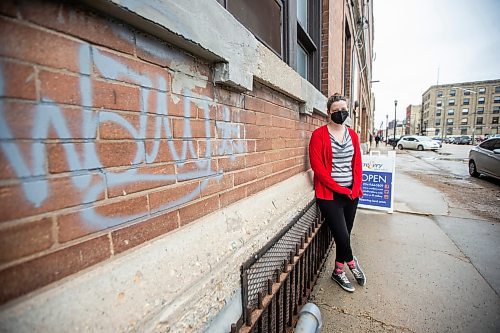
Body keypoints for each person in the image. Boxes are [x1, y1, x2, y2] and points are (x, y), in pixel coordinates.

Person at [308, 93, 365, 292]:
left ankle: (338, 270)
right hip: (329, 195)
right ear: (328, 113)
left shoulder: (353, 135)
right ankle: (351, 263)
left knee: (345, 234)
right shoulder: (319, 135)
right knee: (341, 235)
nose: (340, 113)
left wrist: (355, 188)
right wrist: (341, 189)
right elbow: (318, 169)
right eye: (336, 111)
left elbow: (357, 164)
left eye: (343, 110)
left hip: (352, 194)